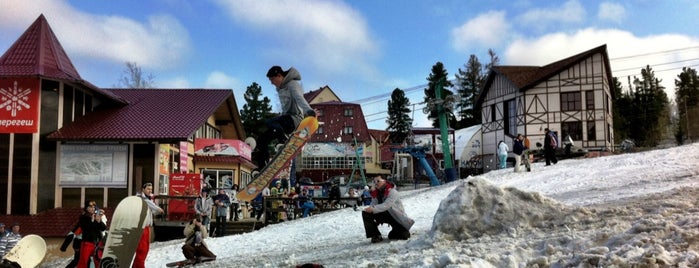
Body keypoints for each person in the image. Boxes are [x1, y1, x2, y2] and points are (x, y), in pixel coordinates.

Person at [253, 66, 316, 169]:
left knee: (269, 122)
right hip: (286, 120)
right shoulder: (280, 88)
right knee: (262, 140)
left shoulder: (292, 84)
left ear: (279, 76)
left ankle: (283, 140)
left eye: (272, 79)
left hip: (294, 119)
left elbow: (299, 98)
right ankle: (262, 168)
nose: (272, 83)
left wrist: (309, 111)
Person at [362, 176, 414, 243]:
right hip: (385, 214)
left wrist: (373, 209)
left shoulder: (392, 191)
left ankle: (399, 229)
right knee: (366, 213)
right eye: (374, 182)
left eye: (378, 181)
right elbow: (374, 203)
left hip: (395, 217)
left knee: (402, 236)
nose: (376, 183)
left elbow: (387, 205)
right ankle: (375, 235)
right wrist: (372, 211)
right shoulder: (376, 193)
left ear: (384, 181)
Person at [134, 182, 164, 268]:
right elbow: (153, 206)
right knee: (142, 249)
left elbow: (152, 210)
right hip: (141, 227)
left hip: (147, 227)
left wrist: (156, 210)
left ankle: (135, 266)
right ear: (143, 189)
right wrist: (159, 209)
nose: (150, 191)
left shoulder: (148, 198)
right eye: (148, 189)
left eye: (151, 189)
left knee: (145, 248)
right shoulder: (141, 198)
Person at [76, 200, 107, 268]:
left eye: (94, 207)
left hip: (97, 244)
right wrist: (92, 221)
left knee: (98, 261)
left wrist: (99, 221)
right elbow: (86, 228)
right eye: (90, 207)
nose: (92, 208)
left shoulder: (96, 216)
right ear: (86, 208)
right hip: (87, 243)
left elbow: (103, 228)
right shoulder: (83, 217)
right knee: (83, 262)